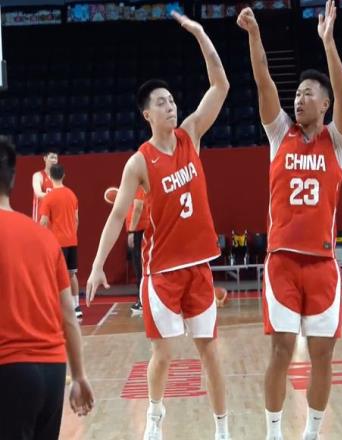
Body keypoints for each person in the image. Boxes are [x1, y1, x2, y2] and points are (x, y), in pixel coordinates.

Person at [86, 11, 231, 440]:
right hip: (162, 272)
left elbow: (220, 86)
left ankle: (222, 429)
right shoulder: (139, 162)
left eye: (172, 100)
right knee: (163, 354)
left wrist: (201, 34)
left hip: (198, 266)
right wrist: (97, 264)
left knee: (211, 352)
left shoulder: (191, 135)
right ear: (146, 114)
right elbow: (118, 215)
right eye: (162, 102)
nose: (171, 106)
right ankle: (154, 416)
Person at [237, 2, 342, 439]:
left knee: (322, 355)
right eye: (298, 93)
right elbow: (263, 78)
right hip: (282, 261)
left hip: (322, 264)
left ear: (324, 104)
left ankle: (312, 433)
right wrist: (254, 35)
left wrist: (328, 42)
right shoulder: (278, 133)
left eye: (308, 94)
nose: (299, 99)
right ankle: (273, 433)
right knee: (281, 349)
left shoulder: (337, 141)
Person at [0, 136, 94, 439]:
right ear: (13, 180)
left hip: (9, 370)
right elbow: (68, 316)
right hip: (53, 372)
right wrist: (78, 376)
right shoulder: (45, 238)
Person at [40, 164, 81, 319]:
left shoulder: (48, 198)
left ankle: (58, 308)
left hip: (57, 243)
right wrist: (71, 234)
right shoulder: (72, 195)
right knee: (72, 274)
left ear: (50, 177)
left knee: (56, 276)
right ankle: (76, 306)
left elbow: (44, 222)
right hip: (72, 241)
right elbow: (76, 219)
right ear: (64, 175)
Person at [126, 186, 149, 314]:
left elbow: (138, 207)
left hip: (140, 230)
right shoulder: (135, 188)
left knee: (140, 266)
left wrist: (132, 231)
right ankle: (144, 299)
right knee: (141, 265)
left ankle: (143, 300)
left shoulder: (139, 187)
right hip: (140, 230)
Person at [32, 149, 58, 221]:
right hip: (39, 217)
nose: (54, 160)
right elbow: (38, 194)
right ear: (45, 158)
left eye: (56, 158)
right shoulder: (38, 175)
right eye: (52, 157)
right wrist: (56, 196)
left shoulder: (57, 179)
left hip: (52, 218)